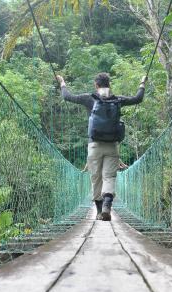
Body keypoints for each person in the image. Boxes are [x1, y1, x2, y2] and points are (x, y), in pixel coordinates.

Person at [56, 73, 147, 221]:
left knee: (96, 179)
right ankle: (107, 206)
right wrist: (142, 82)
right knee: (109, 177)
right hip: (112, 146)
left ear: (96, 85)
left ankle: (99, 212)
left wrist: (62, 83)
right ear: (109, 84)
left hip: (94, 145)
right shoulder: (117, 99)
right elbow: (138, 98)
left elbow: (67, 96)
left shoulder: (89, 98)